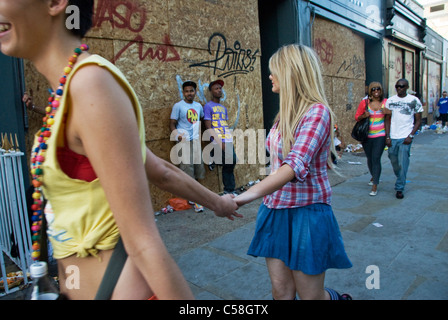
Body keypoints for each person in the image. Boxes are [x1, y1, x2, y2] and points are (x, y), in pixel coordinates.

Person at [0, 0, 240, 300]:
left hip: (116, 288)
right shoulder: (66, 91)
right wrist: (218, 203)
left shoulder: (90, 84)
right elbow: (158, 169)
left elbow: (143, 241)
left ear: (55, 4)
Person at [234, 44, 352, 300]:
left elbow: (294, 165)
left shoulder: (317, 112)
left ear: (291, 73)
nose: (270, 76)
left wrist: (242, 197)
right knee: (281, 292)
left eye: (274, 71)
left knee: (310, 296)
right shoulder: (282, 114)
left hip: (306, 212)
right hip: (275, 210)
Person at [170, 80, 205, 212]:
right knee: (187, 169)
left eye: (191, 91)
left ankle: (201, 195)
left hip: (196, 140)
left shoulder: (198, 106)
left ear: (195, 92)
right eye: (186, 91)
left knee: (199, 168)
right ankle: (194, 198)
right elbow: (172, 123)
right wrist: (177, 135)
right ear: (183, 92)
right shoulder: (178, 106)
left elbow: (201, 120)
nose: (189, 93)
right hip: (184, 140)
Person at [384, 79, 423, 199]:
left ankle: (399, 188)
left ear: (407, 87)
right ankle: (401, 176)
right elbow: (387, 119)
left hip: (405, 137)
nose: (399, 88)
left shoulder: (414, 100)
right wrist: (387, 136)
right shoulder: (390, 100)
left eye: (402, 86)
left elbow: (418, 121)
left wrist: (410, 135)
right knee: (393, 159)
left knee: (403, 162)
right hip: (393, 136)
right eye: (397, 86)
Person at [203, 79, 237, 195]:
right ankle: (229, 190)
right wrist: (217, 141)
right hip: (218, 138)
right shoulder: (208, 106)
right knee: (230, 161)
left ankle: (213, 157)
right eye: (216, 88)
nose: (219, 90)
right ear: (211, 92)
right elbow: (208, 126)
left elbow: (224, 124)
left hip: (226, 137)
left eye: (220, 88)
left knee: (231, 162)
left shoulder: (223, 108)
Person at [354, 82, 388, 196]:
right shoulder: (365, 103)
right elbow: (357, 117)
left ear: (381, 90)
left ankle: (375, 186)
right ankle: (374, 176)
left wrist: (388, 112)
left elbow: (393, 115)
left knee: (376, 158)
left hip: (380, 135)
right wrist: (364, 115)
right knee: (369, 158)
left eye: (378, 89)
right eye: (373, 89)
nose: (376, 91)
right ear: (370, 91)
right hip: (367, 136)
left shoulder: (385, 102)